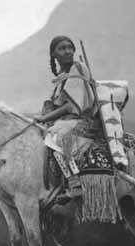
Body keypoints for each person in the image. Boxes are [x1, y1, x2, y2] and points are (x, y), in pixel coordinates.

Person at [34, 35, 97, 225]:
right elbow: (53, 106)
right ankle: (52, 184)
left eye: (70, 47)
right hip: (66, 121)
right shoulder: (61, 78)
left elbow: (70, 106)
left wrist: (45, 119)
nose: (68, 51)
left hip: (82, 121)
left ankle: (73, 182)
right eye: (62, 48)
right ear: (54, 54)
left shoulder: (78, 69)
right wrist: (42, 117)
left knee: (54, 137)